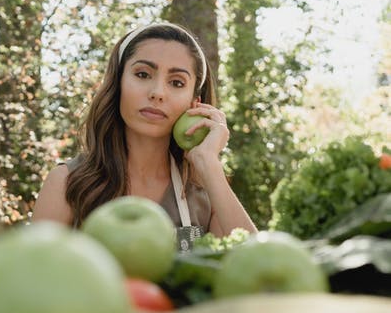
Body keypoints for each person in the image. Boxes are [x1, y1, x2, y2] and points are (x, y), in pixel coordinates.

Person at [33, 22, 257, 238]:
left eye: (177, 82)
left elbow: (254, 264)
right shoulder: (67, 183)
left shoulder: (207, 193)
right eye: (143, 74)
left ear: (194, 103)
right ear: (118, 83)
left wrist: (209, 163)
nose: (158, 92)